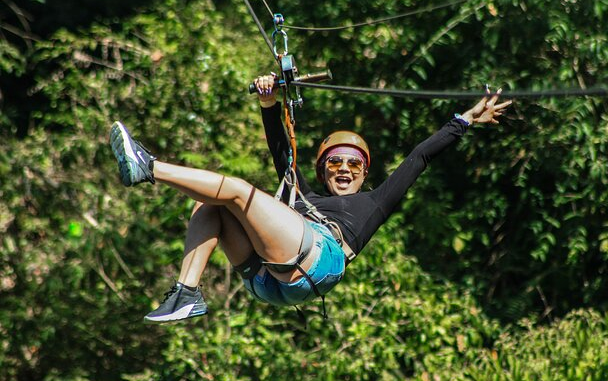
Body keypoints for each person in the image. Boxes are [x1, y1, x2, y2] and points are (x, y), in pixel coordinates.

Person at [109, 74, 511, 323]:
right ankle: (187, 293)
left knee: (236, 190)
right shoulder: (301, 194)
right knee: (210, 204)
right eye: (335, 162)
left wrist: (465, 120)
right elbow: (282, 154)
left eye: (354, 165)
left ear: (364, 173)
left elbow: (419, 157)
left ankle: (150, 168)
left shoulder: (375, 202)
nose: (344, 169)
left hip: (319, 259)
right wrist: (270, 103)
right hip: (268, 280)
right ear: (323, 169)